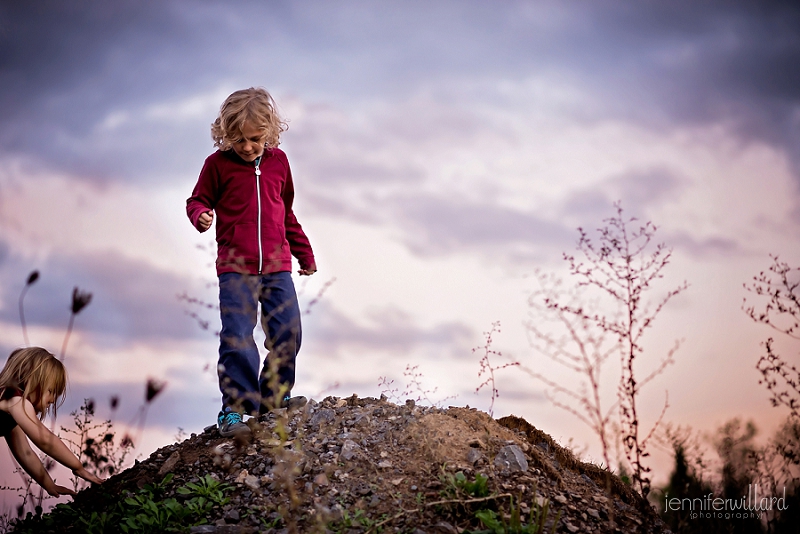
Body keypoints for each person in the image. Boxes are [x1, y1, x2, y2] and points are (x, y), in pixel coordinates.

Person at [186, 87, 316, 438]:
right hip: (236, 268)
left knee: (288, 332)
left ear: (270, 132)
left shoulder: (280, 163)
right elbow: (196, 200)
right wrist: (200, 215)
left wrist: (304, 252)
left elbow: (285, 213)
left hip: (277, 266)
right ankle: (235, 409)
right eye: (238, 139)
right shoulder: (217, 165)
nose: (246, 147)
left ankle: (274, 400)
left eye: (255, 139)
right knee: (238, 337)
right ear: (225, 135)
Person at [0, 347, 104, 496]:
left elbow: (25, 452)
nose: (53, 399)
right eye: (51, 391)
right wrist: (78, 467)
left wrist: (48, 483)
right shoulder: (16, 401)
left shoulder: (10, 407)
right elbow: (45, 440)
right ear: (31, 380)